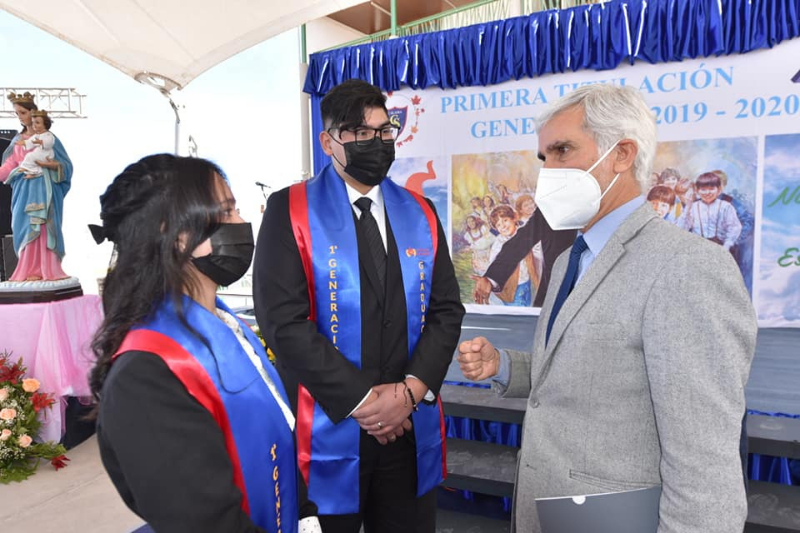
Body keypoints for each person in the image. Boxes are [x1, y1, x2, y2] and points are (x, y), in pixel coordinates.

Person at [457, 84, 757, 533]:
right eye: (544, 158)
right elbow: (586, 371)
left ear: (622, 155)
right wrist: (504, 366)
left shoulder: (688, 267)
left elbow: (705, 468)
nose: (548, 171)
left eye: (562, 151)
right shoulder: (566, 261)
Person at [254, 78, 464, 533]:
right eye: (361, 133)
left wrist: (407, 393)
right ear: (329, 141)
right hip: (331, 424)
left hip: (408, 429)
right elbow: (282, 321)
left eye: (384, 131)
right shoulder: (289, 208)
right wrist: (366, 401)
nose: (377, 142)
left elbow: (446, 310)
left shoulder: (421, 211)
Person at [89, 154, 320, 533]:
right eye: (227, 211)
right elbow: (203, 520)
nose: (242, 222)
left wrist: (305, 515)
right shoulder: (149, 373)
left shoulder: (228, 326)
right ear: (178, 235)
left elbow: (278, 435)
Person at [0, 92, 72, 281]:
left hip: (44, 189)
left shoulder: (48, 138)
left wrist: (51, 166)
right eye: (17, 114)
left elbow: (65, 165)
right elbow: (10, 165)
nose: (20, 117)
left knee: (43, 227)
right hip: (23, 191)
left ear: (33, 113)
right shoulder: (18, 140)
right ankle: (28, 269)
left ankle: (48, 269)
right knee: (23, 226)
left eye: (23, 112)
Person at [486, 204, 538, 306]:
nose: (503, 226)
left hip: (526, 282)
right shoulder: (499, 244)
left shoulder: (524, 233)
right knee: (519, 314)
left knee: (528, 308)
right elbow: (493, 265)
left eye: (505, 220)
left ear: (514, 218)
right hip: (511, 288)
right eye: (499, 225)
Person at [683, 172, 742, 253]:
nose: (707, 193)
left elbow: (735, 227)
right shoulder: (693, 207)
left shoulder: (725, 206)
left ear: (718, 190)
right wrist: (688, 206)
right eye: (703, 189)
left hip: (721, 247)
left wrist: (726, 246)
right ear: (697, 190)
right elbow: (682, 228)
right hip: (697, 248)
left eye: (711, 189)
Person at [16, 110, 55, 177]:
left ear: (45, 124)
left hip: (46, 154)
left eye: (37, 123)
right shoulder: (37, 135)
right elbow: (31, 142)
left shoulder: (48, 135)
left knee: (30, 156)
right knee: (30, 156)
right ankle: (32, 173)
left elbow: (49, 143)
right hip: (39, 152)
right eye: (33, 123)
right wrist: (24, 143)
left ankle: (28, 169)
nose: (34, 125)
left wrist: (41, 142)